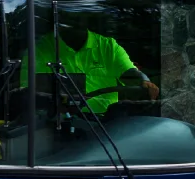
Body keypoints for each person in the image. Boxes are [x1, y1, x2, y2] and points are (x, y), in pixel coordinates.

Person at [25, 20, 159, 116]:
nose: (75, 22)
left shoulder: (108, 46)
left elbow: (130, 73)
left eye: (80, 17)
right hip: (60, 124)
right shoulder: (39, 49)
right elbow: (30, 95)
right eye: (68, 17)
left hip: (107, 125)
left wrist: (144, 80)